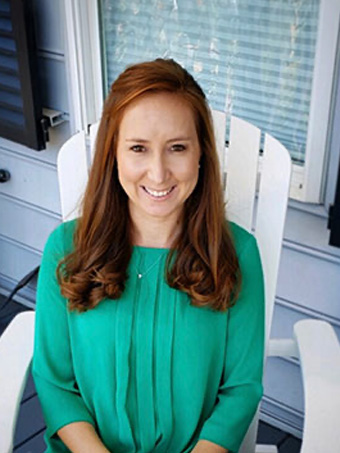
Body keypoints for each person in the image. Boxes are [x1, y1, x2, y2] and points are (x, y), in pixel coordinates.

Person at [32, 58, 264, 453]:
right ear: (114, 155)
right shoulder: (67, 249)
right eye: (138, 148)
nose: (158, 174)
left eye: (177, 148)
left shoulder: (235, 253)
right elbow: (55, 382)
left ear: (200, 155)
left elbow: (241, 389)